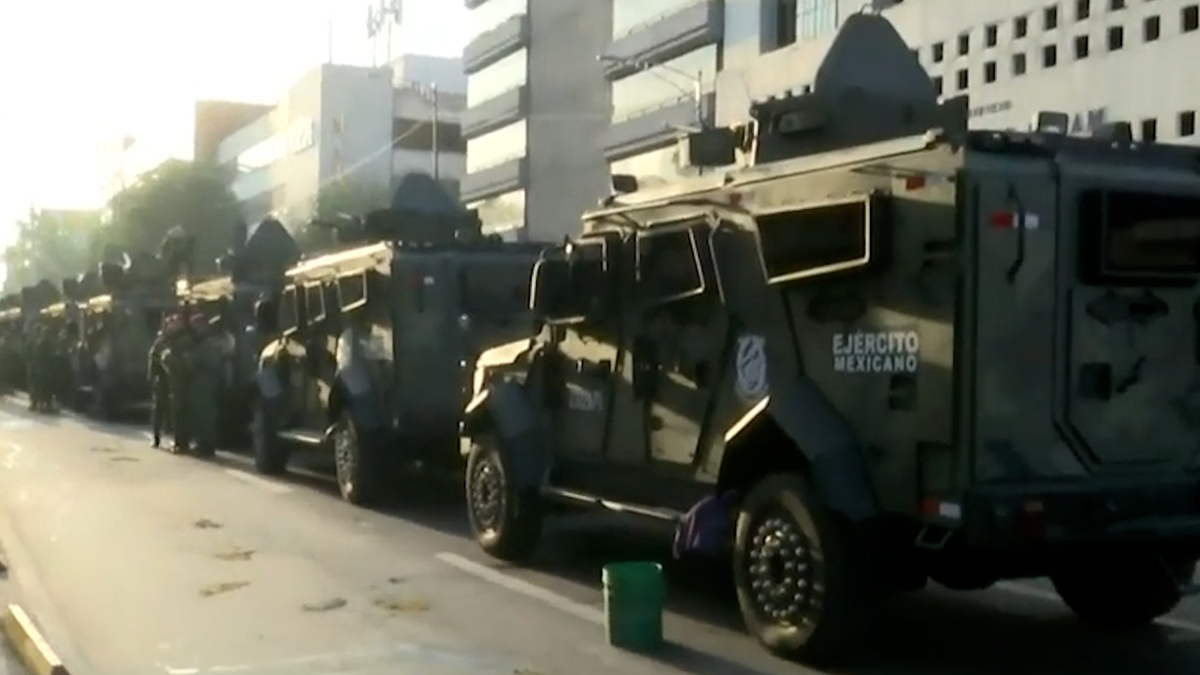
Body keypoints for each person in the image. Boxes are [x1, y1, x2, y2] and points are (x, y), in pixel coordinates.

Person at [186, 313, 223, 458]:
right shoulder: (200, 341)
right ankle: (201, 443)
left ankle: (207, 446)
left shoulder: (210, 342)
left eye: (197, 325)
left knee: (206, 415)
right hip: (199, 381)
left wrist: (194, 360)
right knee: (198, 414)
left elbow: (211, 361)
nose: (195, 328)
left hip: (206, 381)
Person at [161, 316, 195, 453]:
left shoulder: (184, 340)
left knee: (180, 411)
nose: (170, 326)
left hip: (182, 381)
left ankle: (182, 442)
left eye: (173, 324)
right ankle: (180, 441)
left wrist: (168, 359)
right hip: (175, 380)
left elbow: (184, 361)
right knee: (177, 412)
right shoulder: (173, 339)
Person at [147, 315, 176, 448]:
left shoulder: (178, 340)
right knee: (158, 409)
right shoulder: (160, 342)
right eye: (169, 324)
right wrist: (152, 377)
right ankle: (156, 436)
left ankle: (175, 437)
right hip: (162, 378)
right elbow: (152, 359)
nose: (171, 327)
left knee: (174, 410)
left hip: (175, 379)